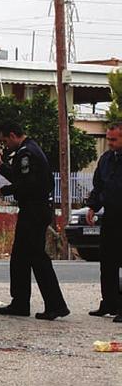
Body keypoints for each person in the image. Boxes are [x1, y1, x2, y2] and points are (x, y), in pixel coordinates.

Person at [0, 121, 69, 320]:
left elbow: (27, 184)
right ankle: (20, 302)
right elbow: (22, 178)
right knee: (20, 258)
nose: (5, 145)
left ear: (12, 135)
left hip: (34, 210)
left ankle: (56, 305)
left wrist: (4, 190)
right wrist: (1, 167)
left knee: (37, 258)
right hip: (34, 209)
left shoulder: (27, 153)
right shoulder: (29, 150)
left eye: (5, 141)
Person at [85, 122, 122, 322]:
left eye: (114, 139)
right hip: (111, 217)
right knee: (107, 262)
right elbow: (99, 186)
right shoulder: (107, 159)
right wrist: (92, 207)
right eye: (108, 139)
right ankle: (109, 302)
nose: (110, 143)